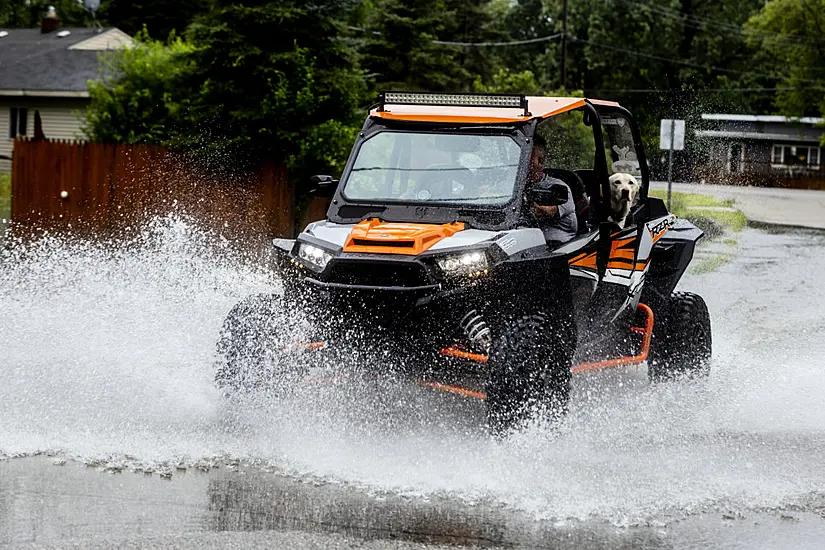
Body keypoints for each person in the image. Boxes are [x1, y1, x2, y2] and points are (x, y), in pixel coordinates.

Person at [526, 134, 577, 243]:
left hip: (560, 246)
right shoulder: (514, 187)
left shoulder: (558, 187)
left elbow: (549, 211)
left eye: (526, 158)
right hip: (528, 242)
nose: (520, 164)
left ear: (540, 161)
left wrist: (537, 209)